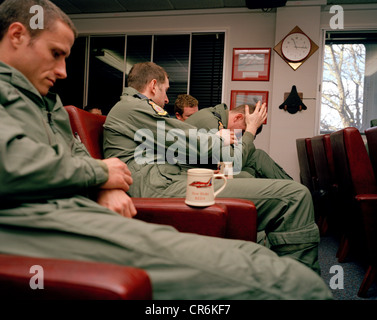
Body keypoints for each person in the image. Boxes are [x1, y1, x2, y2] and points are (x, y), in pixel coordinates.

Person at [0, 0, 332, 300]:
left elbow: (76, 153)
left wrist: (102, 184)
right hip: (118, 199)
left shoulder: (46, 101)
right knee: (292, 280)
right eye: (56, 53)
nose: (63, 71)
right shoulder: (133, 108)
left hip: (102, 199)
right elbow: (16, 165)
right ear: (16, 35)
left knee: (262, 254)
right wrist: (102, 175)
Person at [103, 61, 324, 276]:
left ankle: (279, 270)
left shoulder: (132, 107)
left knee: (256, 179)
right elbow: (186, 139)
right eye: (165, 90)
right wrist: (223, 137)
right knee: (295, 195)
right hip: (158, 188)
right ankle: (300, 284)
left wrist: (214, 139)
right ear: (153, 85)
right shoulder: (134, 107)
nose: (167, 98)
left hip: (166, 179)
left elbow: (180, 140)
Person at [185, 103, 293, 180]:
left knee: (258, 156)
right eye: (242, 132)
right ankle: (294, 193)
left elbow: (244, 154)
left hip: (210, 167)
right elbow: (233, 163)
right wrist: (250, 131)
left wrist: (251, 132)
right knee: (248, 175)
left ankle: (292, 189)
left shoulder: (219, 119)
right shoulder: (211, 122)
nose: (239, 137)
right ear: (238, 117)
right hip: (191, 174)